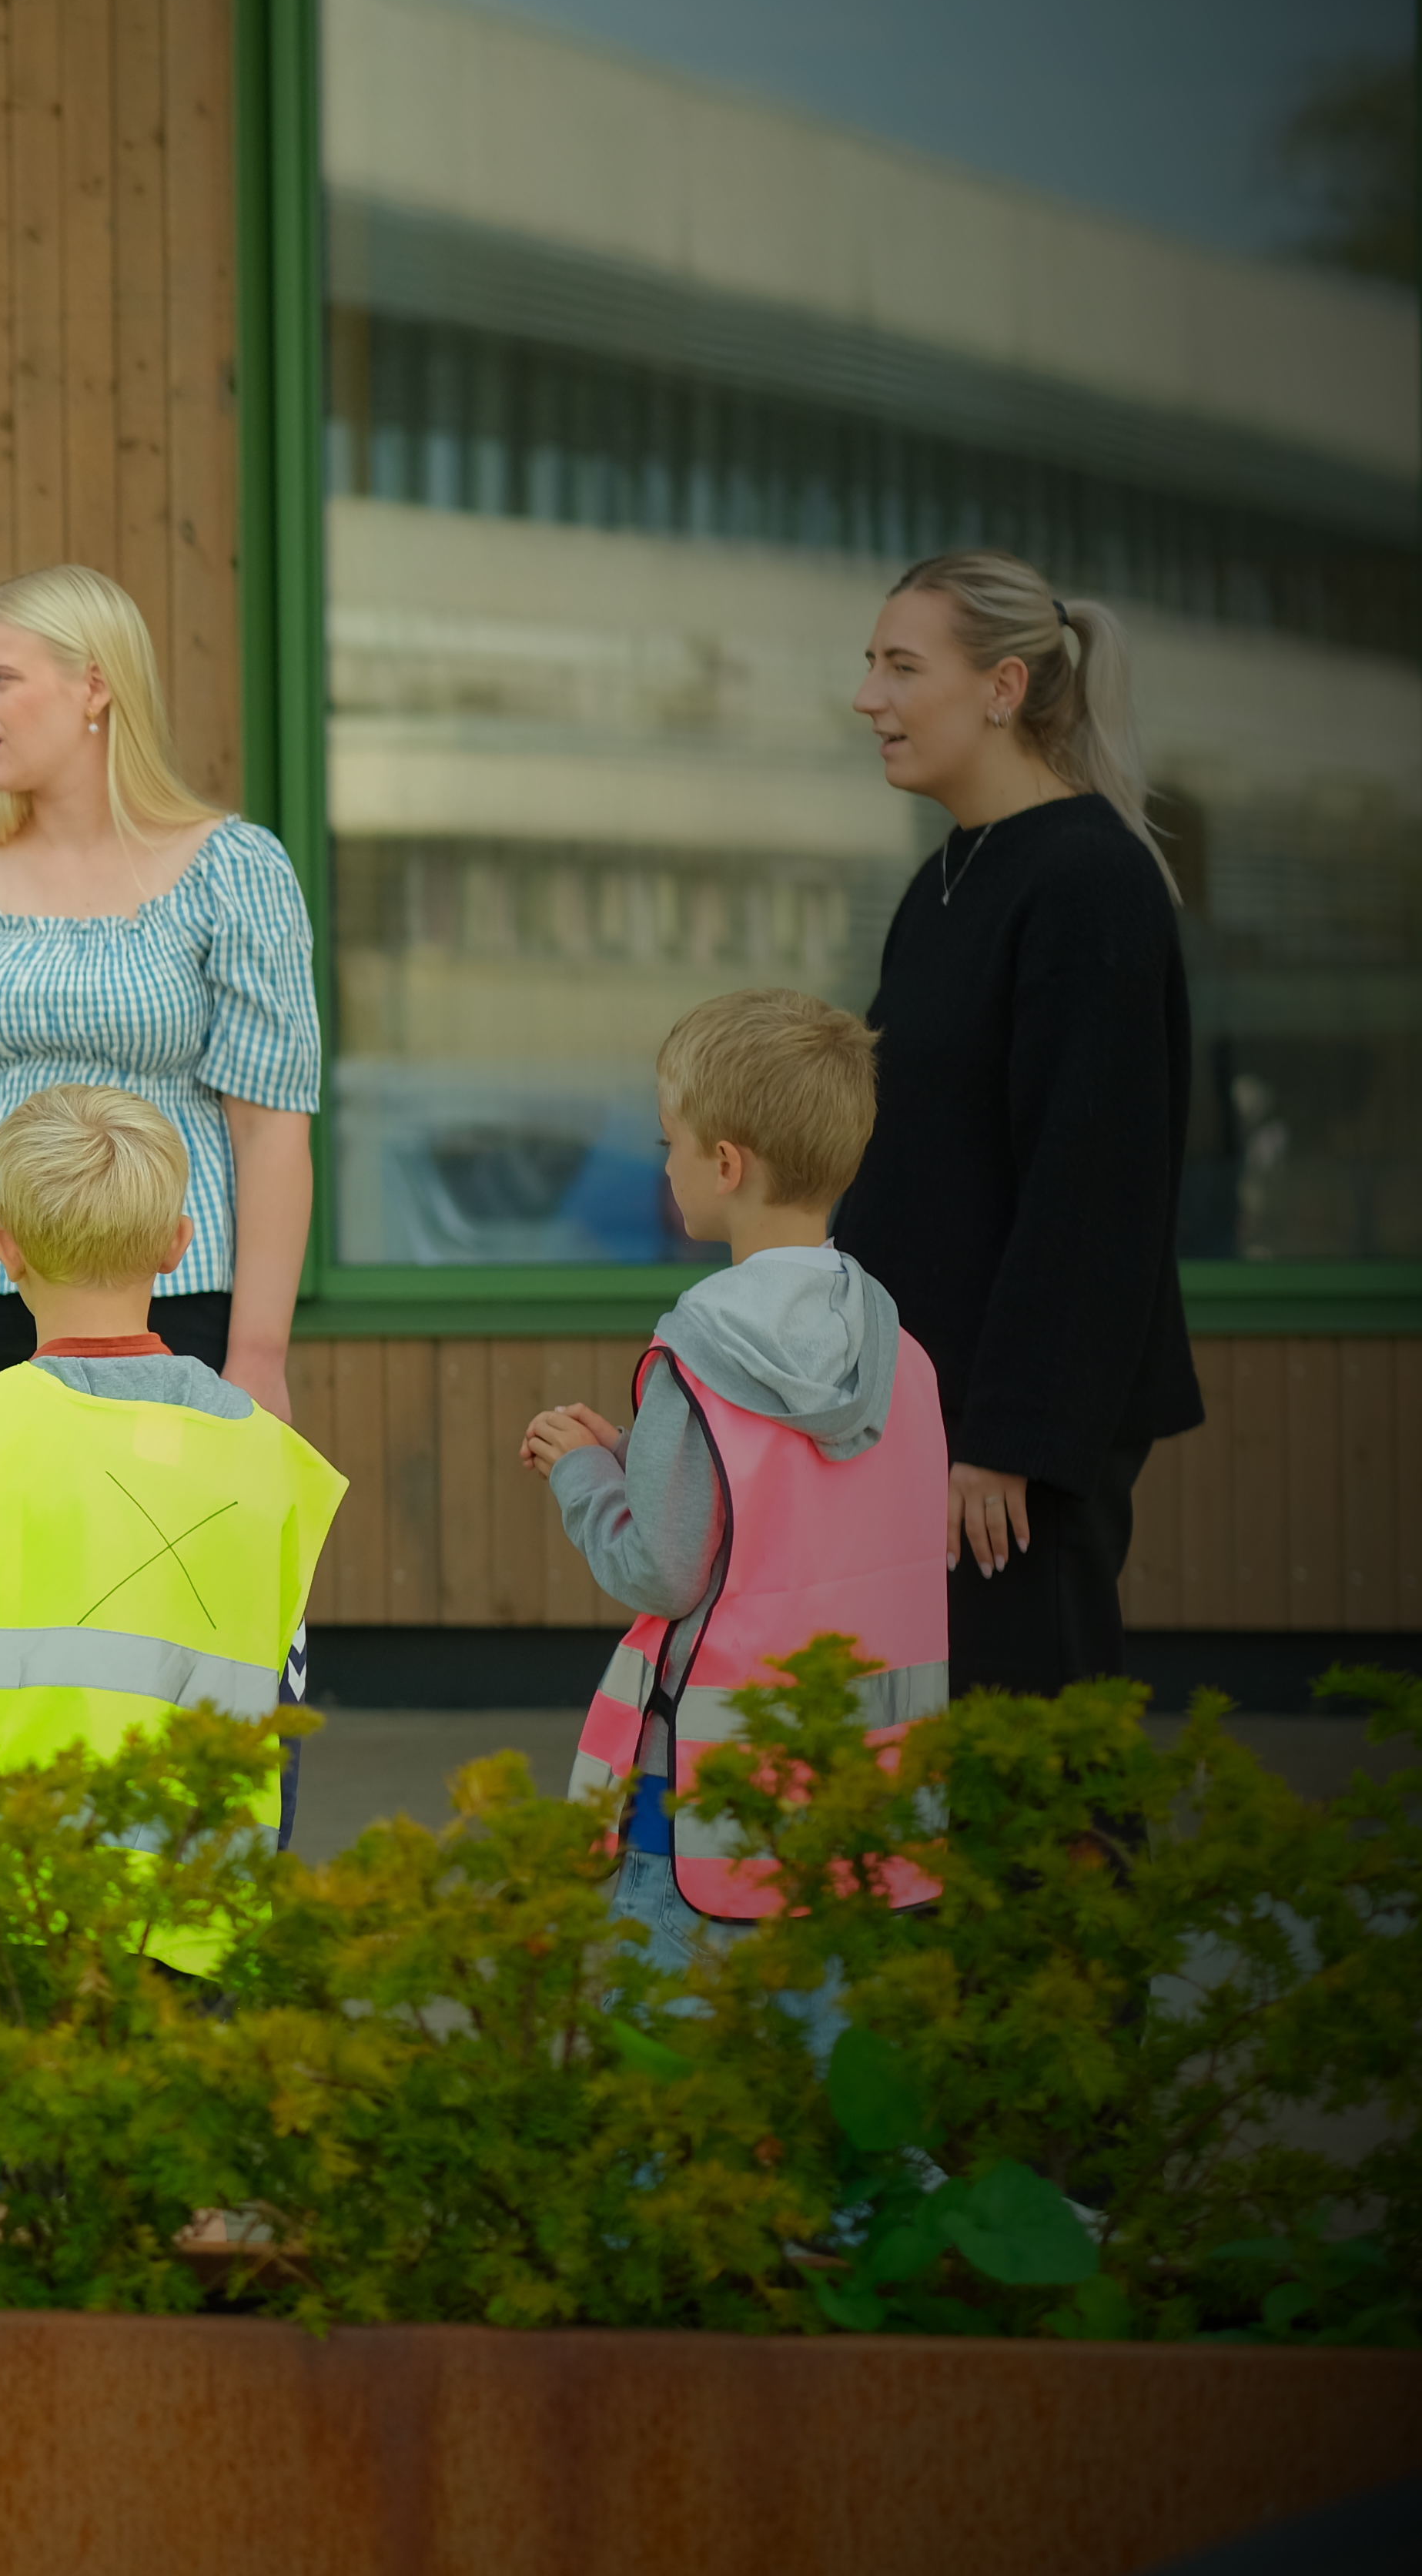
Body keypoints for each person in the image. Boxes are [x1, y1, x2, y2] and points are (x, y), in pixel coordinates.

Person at [0, 564, 323, 1487]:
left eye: (1, 678)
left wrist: (260, 1352)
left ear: (95, 685)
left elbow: (270, 1128)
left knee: (158, 1604)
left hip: (169, 1299)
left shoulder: (234, 870)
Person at [835, 551, 1203, 1694]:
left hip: (1009, 1450)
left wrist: (1012, 1440)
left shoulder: (1089, 882)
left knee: (1038, 1798)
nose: (869, 699)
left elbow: (1091, 1195)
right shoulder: (949, 878)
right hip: (927, 1421)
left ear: (1003, 688)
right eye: (871, 666)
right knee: (937, 1792)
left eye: (903, 666)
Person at [522, 992, 950, 1974]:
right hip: (876, 1811)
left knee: (675, 2103)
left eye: (669, 1140)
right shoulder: (904, 1360)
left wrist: (586, 1473)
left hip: (714, 1817)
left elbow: (665, 1570)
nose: (662, 1160)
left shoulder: (699, 1353)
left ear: (725, 1163)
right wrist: (642, 1452)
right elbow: (801, 1515)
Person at [0, 1084, 343, 1977]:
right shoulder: (270, 1460)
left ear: (2, 1249)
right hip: (204, 1906)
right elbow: (281, 1706)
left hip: (5, 1901)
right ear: (178, 1243)